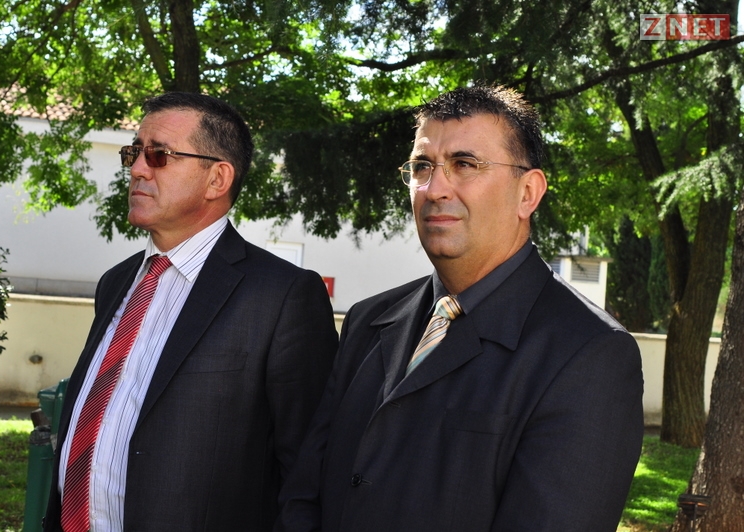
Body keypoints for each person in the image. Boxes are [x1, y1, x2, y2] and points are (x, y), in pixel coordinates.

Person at [275, 84, 644, 532]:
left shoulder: (589, 353)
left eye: (465, 164)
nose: (434, 189)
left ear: (528, 193)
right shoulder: (367, 320)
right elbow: (304, 494)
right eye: (422, 166)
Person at [43, 92, 339, 532]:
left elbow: (308, 474)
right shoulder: (115, 283)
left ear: (217, 179)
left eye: (159, 155)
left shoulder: (282, 296)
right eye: (134, 153)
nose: (137, 169)